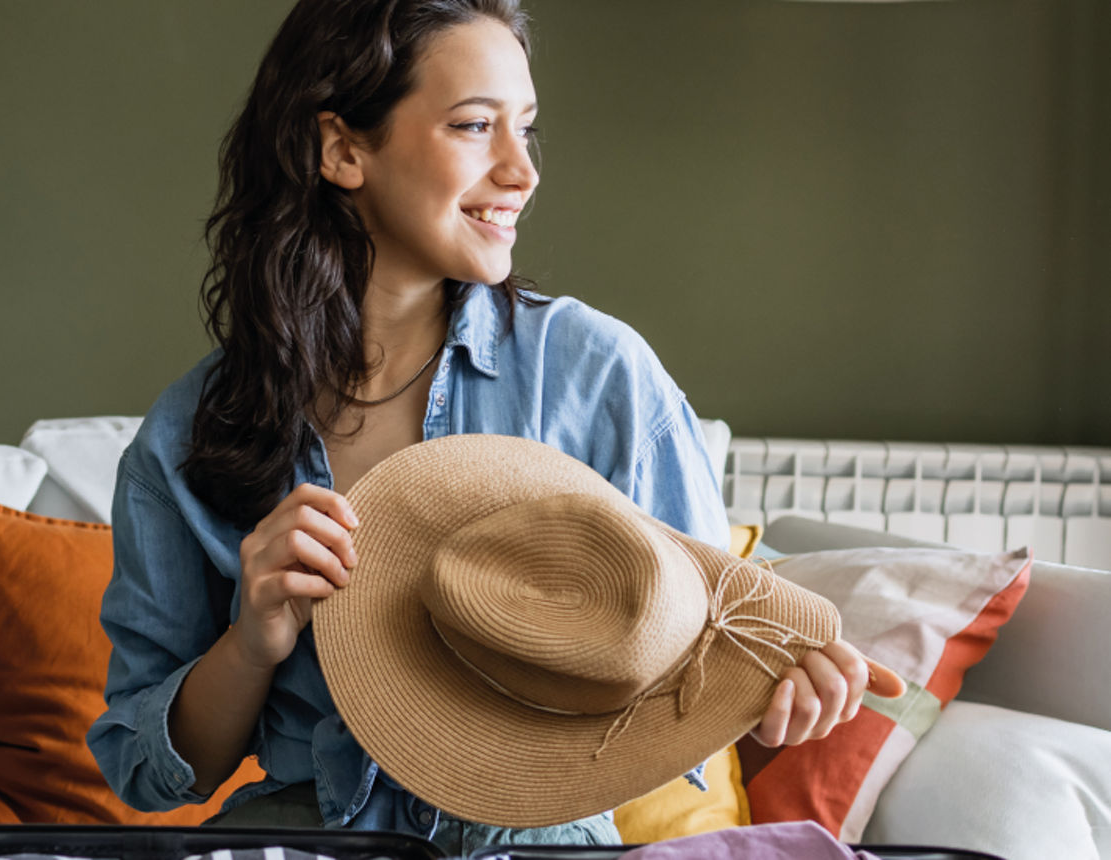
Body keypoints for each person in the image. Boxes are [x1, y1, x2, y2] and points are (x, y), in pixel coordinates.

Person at [87, 0, 901, 854]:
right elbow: (148, 773)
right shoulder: (186, 438)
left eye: (528, 130)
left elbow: (703, 658)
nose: (523, 171)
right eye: (476, 126)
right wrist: (251, 640)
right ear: (343, 148)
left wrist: (775, 704)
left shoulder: (598, 375)